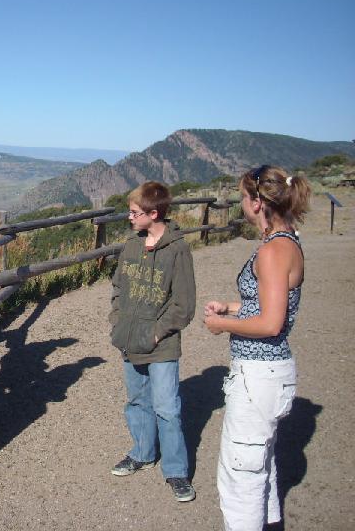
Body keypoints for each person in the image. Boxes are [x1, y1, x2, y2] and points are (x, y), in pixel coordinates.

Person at [204, 165, 310, 531]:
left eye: (242, 198)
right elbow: (267, 305)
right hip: (269, 374)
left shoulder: (273, 251)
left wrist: (222, 324)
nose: (241, 204)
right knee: (261, 465)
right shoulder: (287, 241)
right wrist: (233, 307)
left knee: (240, 477)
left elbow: (270, 323)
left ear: (256, 202)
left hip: (257, 376)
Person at [109, 181, 197, 502]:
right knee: (137, 401)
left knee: (167, 408)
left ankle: (176, 472)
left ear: (154, 213)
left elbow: (184, 304)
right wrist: (117, 323)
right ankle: (142, 453)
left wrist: (157, 333)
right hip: (130, 341)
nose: (129, 217)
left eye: (134, 213)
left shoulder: (178, 250)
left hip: (161, 346)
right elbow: (118, 288)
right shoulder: (131, 247)